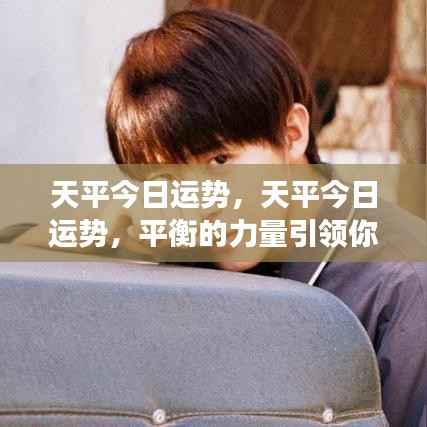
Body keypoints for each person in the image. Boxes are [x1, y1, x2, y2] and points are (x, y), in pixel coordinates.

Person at [12, 7, 427, 426]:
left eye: (220, 161)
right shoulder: (175, 252)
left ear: (292, 134)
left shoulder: (403, 283)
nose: (201, 204)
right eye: (169, 180)